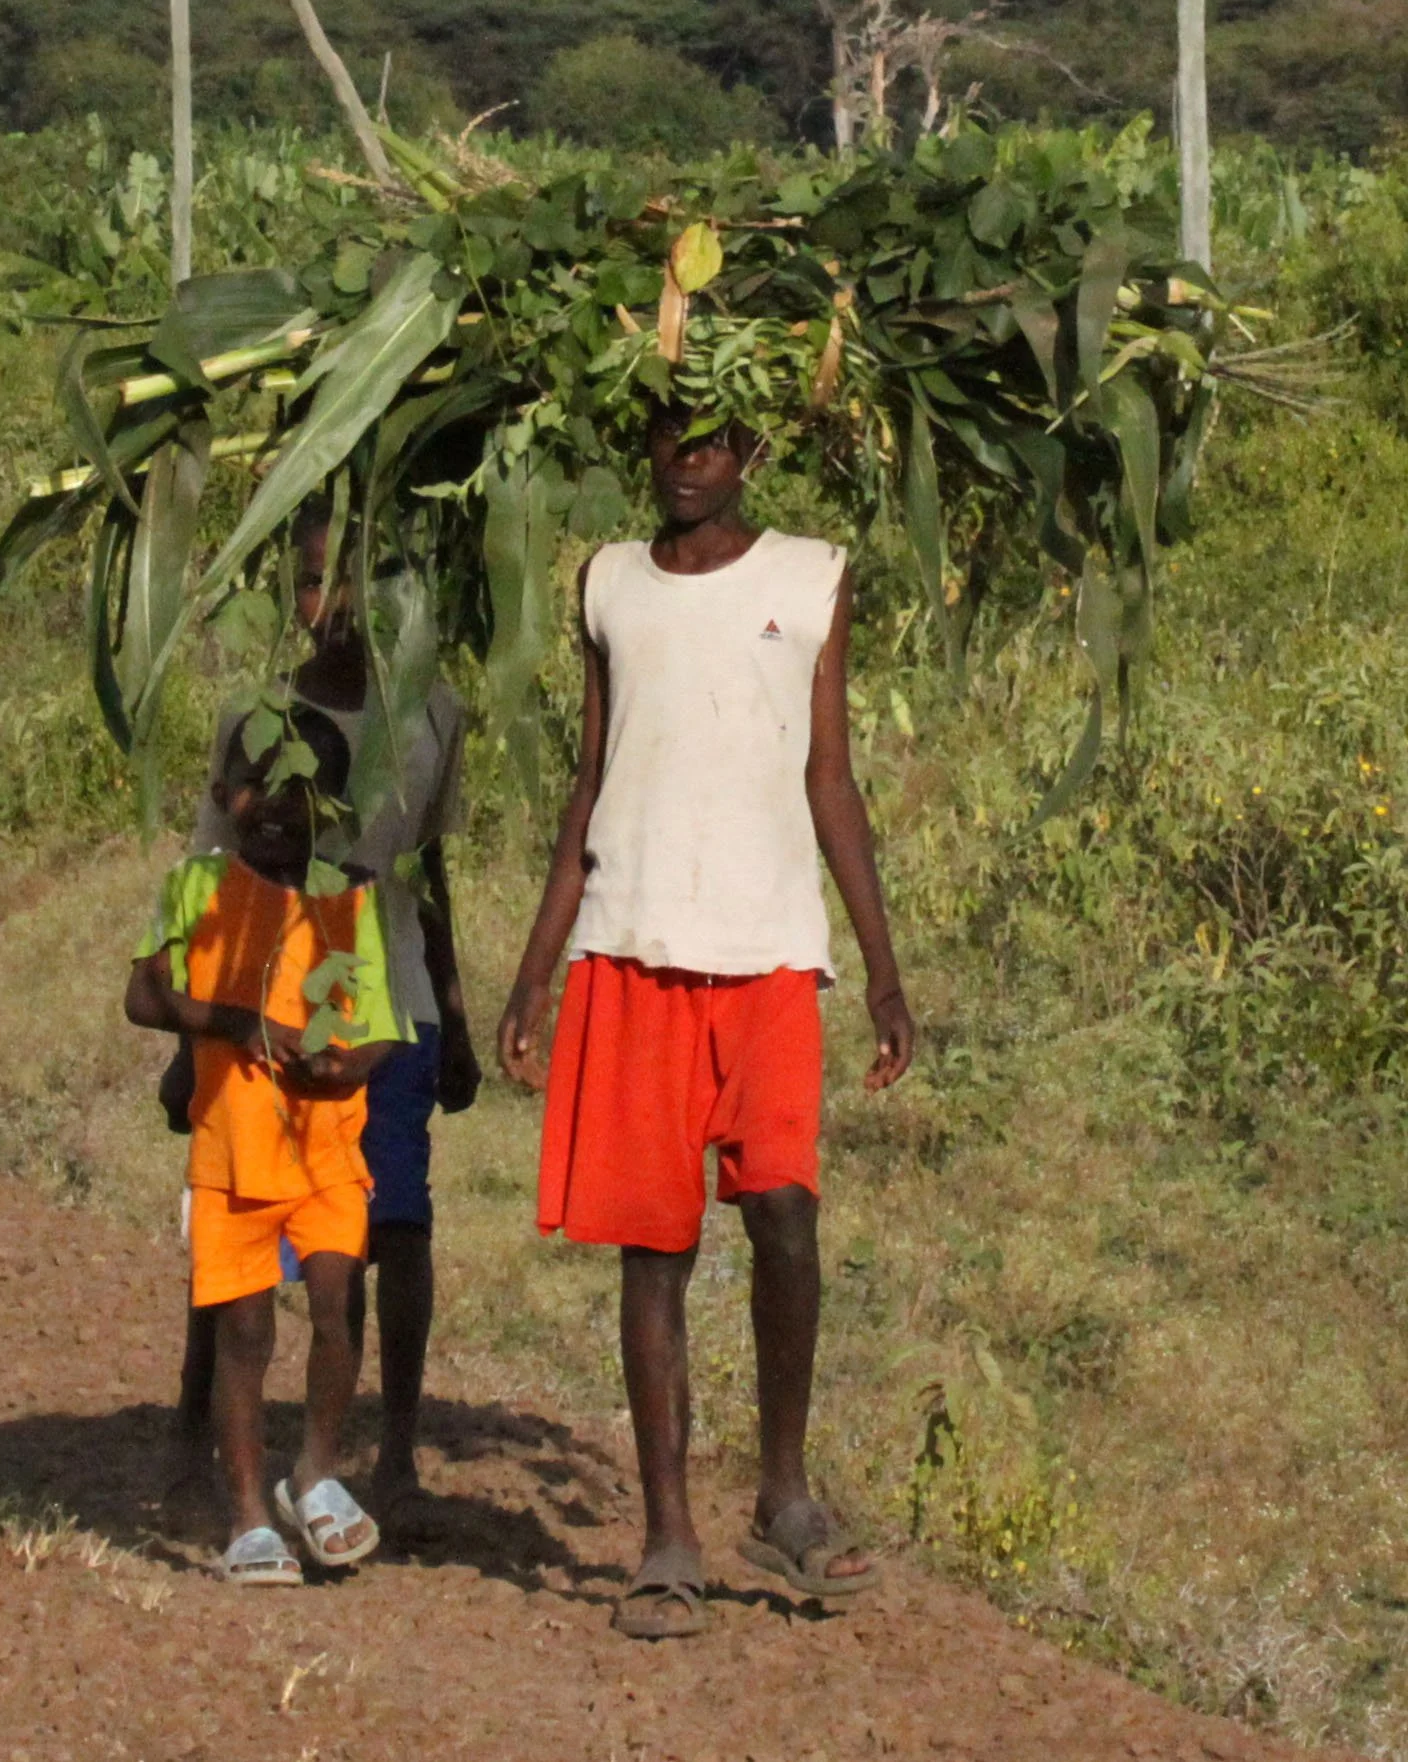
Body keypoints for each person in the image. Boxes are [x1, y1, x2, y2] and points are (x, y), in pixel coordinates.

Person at [497, 404, 915, 1639]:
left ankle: (782, 1493)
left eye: (712, 444)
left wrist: (883, 969)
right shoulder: (611, 584)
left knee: (786, 1211)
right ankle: (668, 1535)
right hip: (634, 942)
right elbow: (592, 780)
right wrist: (534, 969)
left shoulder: (809, 576)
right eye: (668, 441)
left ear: (754, 455)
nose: (688, 465)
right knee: (655, 1248)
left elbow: (830, 781)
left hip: (771, 945)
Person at [167, 498, 479, 1518]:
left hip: (383, 1006)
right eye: (310, 581)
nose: (330, 604)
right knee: (247, 1212)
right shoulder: (256, 723)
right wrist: (189, 1038)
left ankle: (390, 1455)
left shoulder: (432, 716)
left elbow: (430, 871)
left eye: (350, 581)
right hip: (258, 1003)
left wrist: (456, 1013)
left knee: (395, 1227)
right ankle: (207, 1419)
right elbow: (210, 875)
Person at [127, 705, 411, 1585]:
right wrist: (235, 1025)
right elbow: (146, 996)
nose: (282, 808)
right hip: (233, 1157)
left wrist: (348, 1066)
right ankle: (248, 1513)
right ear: (223, 796)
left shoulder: (344, 902)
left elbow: (375, 1026)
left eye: (307, 791)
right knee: (243, 1335)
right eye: (261, 785)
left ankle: (315, 1473)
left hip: (327, 1147)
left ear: (337, 808)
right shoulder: (197, 890)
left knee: (336, 1308)